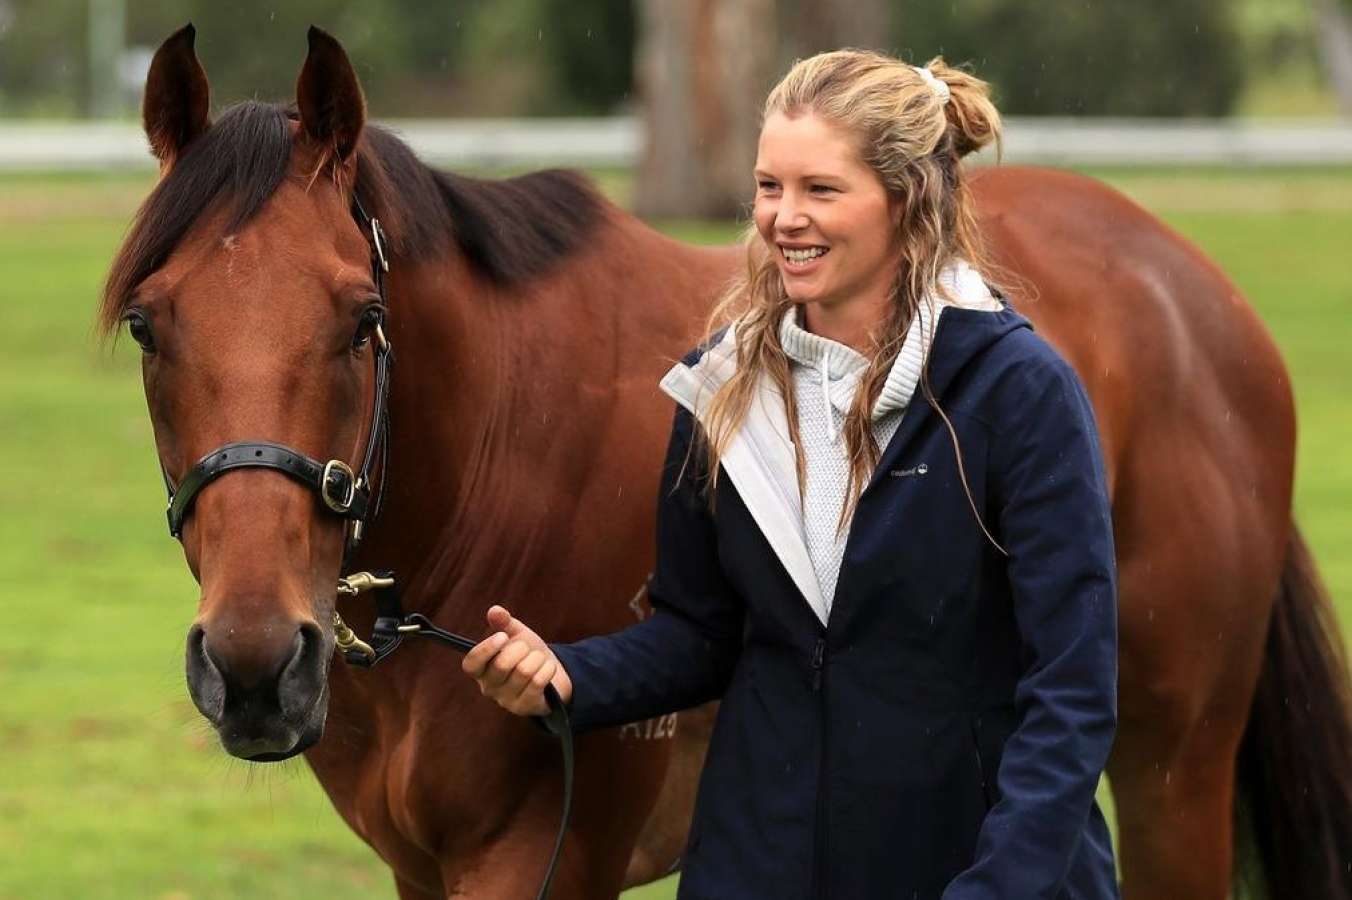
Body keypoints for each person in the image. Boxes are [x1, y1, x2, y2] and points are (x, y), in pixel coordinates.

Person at [463, 50, 1119, 900]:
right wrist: (565, 674)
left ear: (908, 198)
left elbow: (1070, 690)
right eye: (770, 187)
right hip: (759, 865)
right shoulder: (722, 386)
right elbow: (699, 635)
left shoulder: (1019, 392)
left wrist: (1001, 886)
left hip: (975, 870)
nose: (783, 218)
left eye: (820, 189)